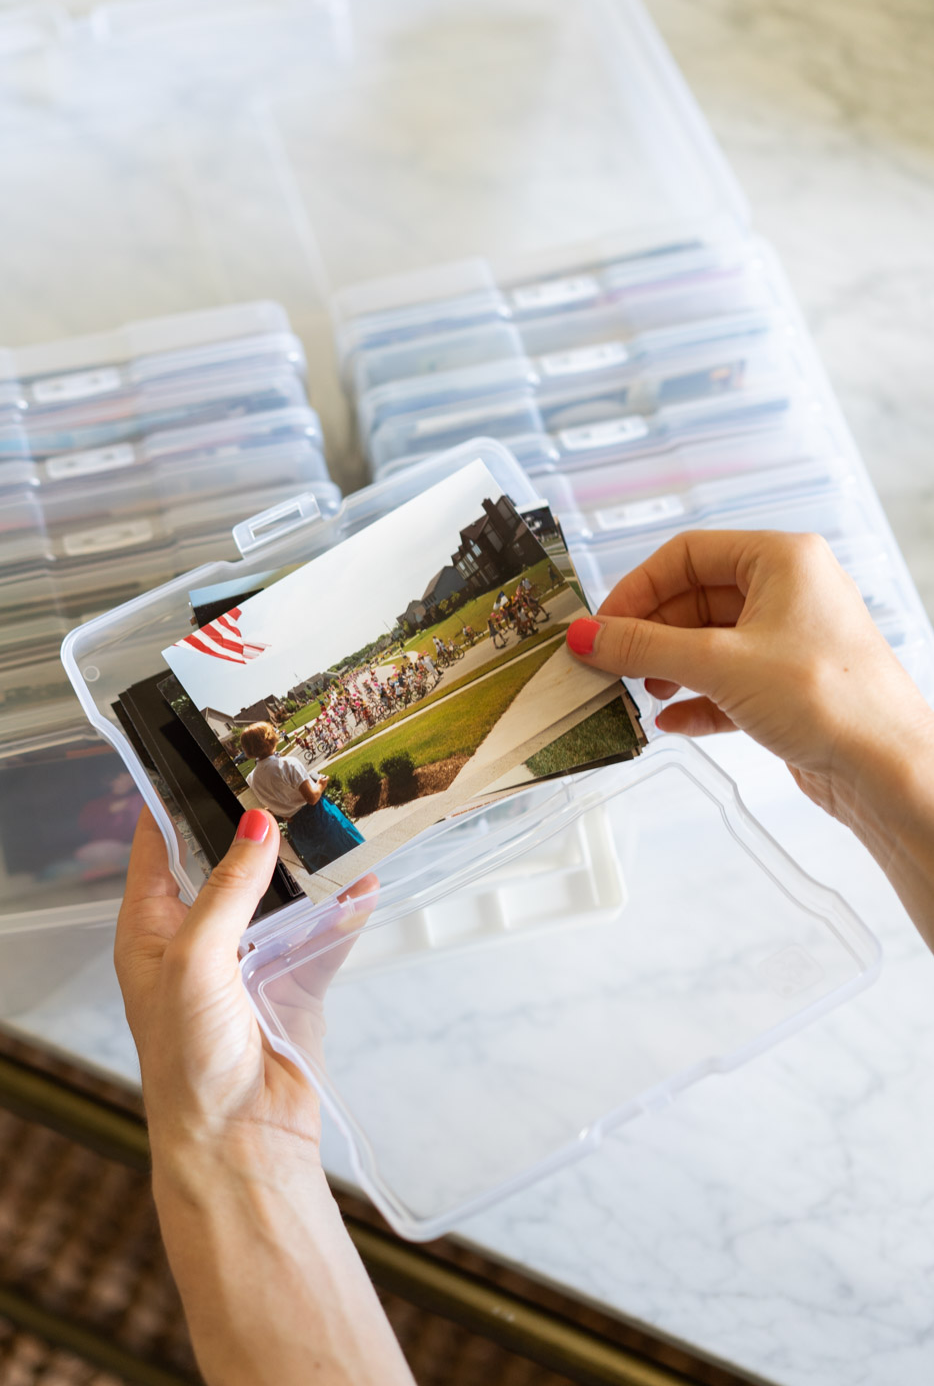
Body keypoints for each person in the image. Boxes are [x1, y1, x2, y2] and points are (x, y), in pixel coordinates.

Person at [117, 529, 934, 1385]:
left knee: (337, 871)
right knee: (342, 843)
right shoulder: (285, 759)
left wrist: (228, 1139)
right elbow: (315, 791)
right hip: (325, 833)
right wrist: (878, 760)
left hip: (285, 978)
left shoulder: (254, 779)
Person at [240, 721, 363, 874]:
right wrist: (321, 784)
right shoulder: (288, 764)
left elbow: (270, 804)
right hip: (319, 817)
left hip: (296, 829)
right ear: (270, 738)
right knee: (355, 856)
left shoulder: (251, 780)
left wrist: (283, 811)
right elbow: (312, 798)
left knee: (329, 873)